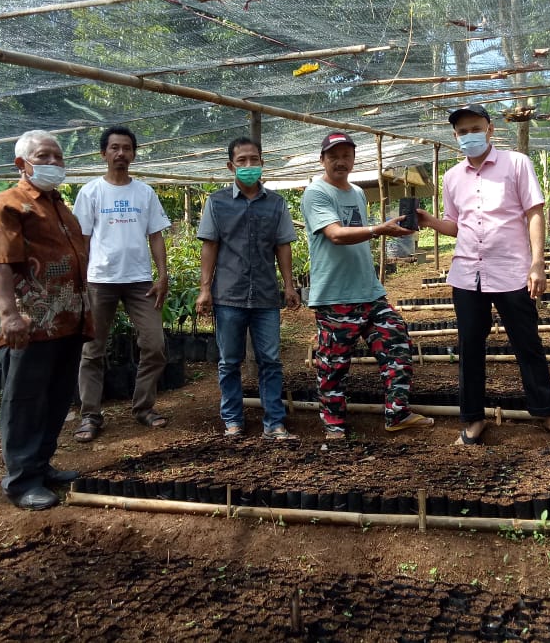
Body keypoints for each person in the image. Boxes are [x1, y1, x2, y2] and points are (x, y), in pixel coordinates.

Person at [416, 104, 550, 449]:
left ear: (490, 129)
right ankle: (473, 419)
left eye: (475, 128)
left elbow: (534, 214)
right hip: (467, 275)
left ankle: (546, 413)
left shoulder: (516, 164)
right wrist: (429, 221)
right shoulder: (452, 177)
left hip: (512, 272)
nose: (469, 136)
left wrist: (537, 263)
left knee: (527, 344)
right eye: (462, 132)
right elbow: (456, 225)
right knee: (469, 348)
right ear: (455, 136)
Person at [0, 130, 92, 510]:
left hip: (67, 321)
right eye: (45, 156)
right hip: (31, 324)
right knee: (25, 400)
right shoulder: (8, 205)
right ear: (21, 163)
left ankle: (41, 466)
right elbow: (2, 263)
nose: (54, 163)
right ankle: (21, 480)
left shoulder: (59, 206)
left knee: (57, 397)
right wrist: (10, 315)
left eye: (58, 157)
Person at [301, 131, 434, 439]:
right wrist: (378, 230)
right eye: (333, 156)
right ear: (323, 160)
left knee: (396, 343)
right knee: (334, 362)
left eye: (346, 155)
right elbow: (335, 234)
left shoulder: (358, 193)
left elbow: (360, 233)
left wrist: (387, 231)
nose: (340, 161)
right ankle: (333, 422)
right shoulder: (316, 192)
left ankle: (397, 413)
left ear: (353, 159)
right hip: (335, 295)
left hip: (370, 291)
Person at [195, 137, 301, 440]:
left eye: (254, 159)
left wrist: (289, 286)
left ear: (262, 162)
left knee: (270, 359)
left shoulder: (276, 203)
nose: (249, 165)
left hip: (266, 296)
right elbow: (210, 246)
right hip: (228, 295)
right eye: (242, 161)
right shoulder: (217, 203)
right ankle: (232, 419)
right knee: (229, 360)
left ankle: (274, 422)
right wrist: (205, 290)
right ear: (231, 166)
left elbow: (283, 246)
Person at [72, 125, 172, 442]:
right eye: (114, 148)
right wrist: (80, 282)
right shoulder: (91, 192)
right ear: (104, 154)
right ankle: (90, 415)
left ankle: (143, 407)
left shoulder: (144, 193)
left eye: (126, 148)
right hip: (100, 280)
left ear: (133, 154)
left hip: (140, 280)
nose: (120, 153)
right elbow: (82, 241)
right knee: (92, 351)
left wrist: (162, 274)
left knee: (154, 345)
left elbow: (155, 235)